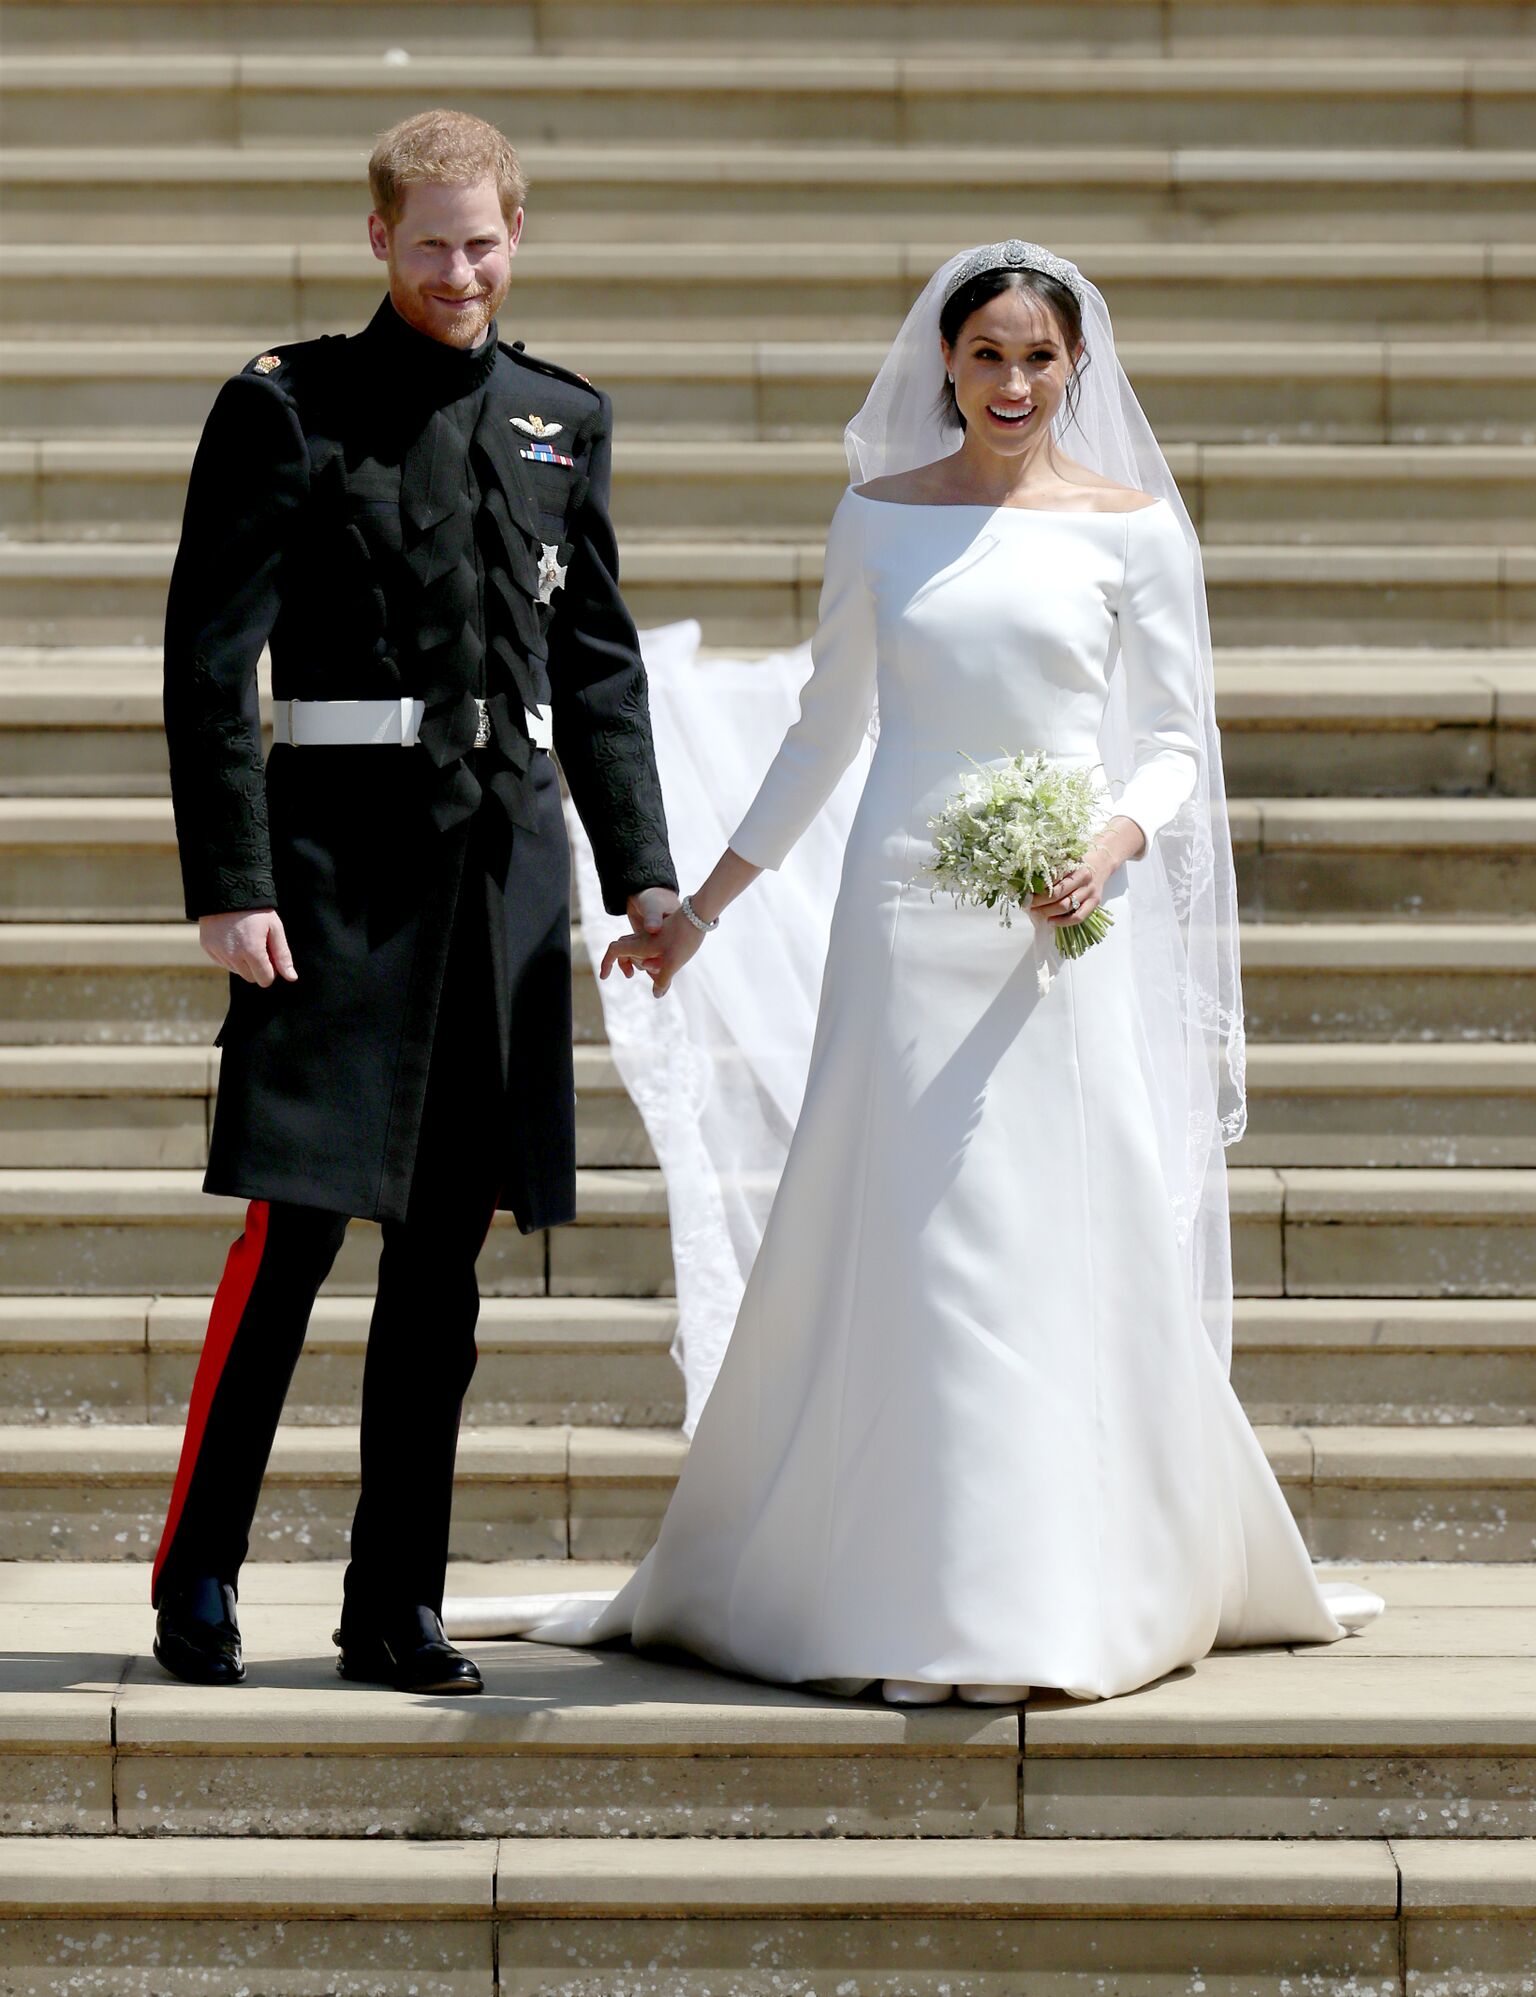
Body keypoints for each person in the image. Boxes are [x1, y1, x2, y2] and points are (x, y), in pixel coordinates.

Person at [443, 241, 1383, 1703]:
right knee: (920, 1230)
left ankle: (1062, 1586)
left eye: (1039, 358)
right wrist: (700, 908)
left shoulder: (1134, 528)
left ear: (1077, 369)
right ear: (944, 362)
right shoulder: (878, 518)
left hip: (1059, 917)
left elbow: (1179, 740)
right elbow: (827, 732)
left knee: (1057, 1226)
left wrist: (1117, 840)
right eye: (988, 354)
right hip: (902, 914)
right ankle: (913, 1589)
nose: (1013, 382)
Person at [151, 108, 679, 1694]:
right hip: (330, 874)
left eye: (486, 241)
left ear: (519, 237)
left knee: (445, 1256)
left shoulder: (559, 420)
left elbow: (596, 670)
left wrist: (643, 871)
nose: (462, 270)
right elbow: (206, 660)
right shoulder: (287, 409)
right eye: (433, 242)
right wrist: (230, 885)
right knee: (294, 1235)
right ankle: (201, 1569)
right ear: (378, 239)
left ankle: (397, 1602)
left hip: (499, 880)